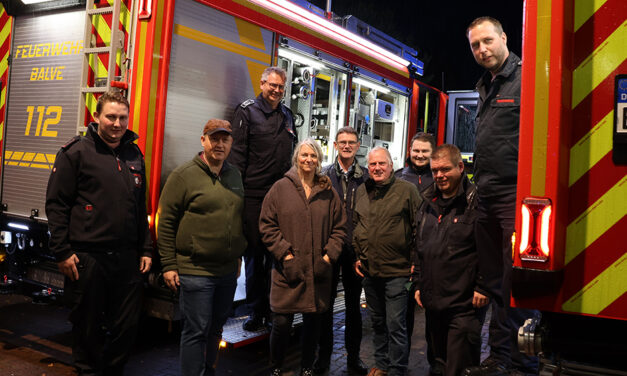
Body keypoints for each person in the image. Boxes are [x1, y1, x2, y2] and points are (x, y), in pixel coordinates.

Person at [45, 90, 152, 375]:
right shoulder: (76, 153)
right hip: (87, 258)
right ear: (96, 117)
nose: (117, 123)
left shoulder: (134, 153)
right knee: (87, 328)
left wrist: (146, 248)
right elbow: (57, 205)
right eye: (111, 117)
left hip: (127, 258)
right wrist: (63, 251)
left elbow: (140, 207)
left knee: (127, 327)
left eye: (123, 118)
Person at [464, 17, 539, 375]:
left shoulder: (527, 78)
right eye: (476, 45)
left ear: (504, 38)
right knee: (494, 282)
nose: (482, 49)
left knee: (516, 283)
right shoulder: (484, 85)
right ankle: (499, 359)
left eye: (487, 41)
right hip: (487, 194)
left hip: (514, 194)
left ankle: (524, 365)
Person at [157, 119, 246, 376]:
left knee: (216, 328)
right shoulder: (183, 176)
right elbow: (166, 222)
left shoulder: (234, 175)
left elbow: (237, 218)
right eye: (214, 138)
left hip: (227, 271)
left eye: (225, 139)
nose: (219, 144)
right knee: (195, 331)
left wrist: (238, 255)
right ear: (203, 140)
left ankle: (208, 372)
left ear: (230, 144)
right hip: (195, 271)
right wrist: (169, 265)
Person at [259, 138, 346, 376]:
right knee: (281, 324)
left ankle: (307, 367)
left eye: (314, 156)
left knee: (312, 324)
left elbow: (340, 228)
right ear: (296, 158)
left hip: (317, 272)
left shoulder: (328, 192)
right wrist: (285, 255)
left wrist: (328, 258)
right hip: (286, 270)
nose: (308, 160)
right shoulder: (280, 188)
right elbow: (267, 225)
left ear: (319, 161)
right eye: (304, 155)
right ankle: (276, 367)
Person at [228, 66, 298, 331]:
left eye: (281, 87)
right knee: (256, 256)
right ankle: (257, 312)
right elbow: (237, 159)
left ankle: (276, 309)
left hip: (282, 197)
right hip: (254, 197)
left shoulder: (287, 115)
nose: (277, 90)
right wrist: (238, 198)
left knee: (279, 254)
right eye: (273, 85)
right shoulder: (247, 111)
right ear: (262, 83)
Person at [412, 144, 489, 376]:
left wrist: (483, 285)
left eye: (445, 169)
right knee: (438, 366)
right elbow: (419, 247)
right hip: (434, 305)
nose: (439, 175)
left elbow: (490, 248)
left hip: (464, 308)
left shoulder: (476, 204)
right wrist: (417, 283)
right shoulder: (427, 202)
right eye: (435, 170)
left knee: (459, 369)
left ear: (460, 167)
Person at [353, 147, 421, 376]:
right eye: (372, 164)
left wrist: (415, 261)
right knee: (378, 323)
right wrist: (357, 255)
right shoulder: (362, 191)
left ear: (391, 165)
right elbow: (356, 225)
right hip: (370, 271)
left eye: (382, 163)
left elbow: (419, 229)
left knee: (396, 326)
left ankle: (397, 369)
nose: (377, 168)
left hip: (398, 271)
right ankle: (381, 364)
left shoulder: (407, 191)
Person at [316, 127, 369, 375]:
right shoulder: (324, 175)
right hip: (330, 247)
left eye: (351, 142)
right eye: (342, 142)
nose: (347, 146)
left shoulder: (366, 178)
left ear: (358, 146)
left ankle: (353, 359)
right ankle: (323, 359)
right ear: (335, 145)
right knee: (324, 306)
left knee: (352, 307)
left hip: (354, 251)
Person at [394, 131, 436, 371]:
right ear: (410, 151)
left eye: (425, 152)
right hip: (406, 260)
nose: (419, 155)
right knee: (404, 311)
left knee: (433, 311)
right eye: (416, 151)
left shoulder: (440, 178)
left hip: (432, 259)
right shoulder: (399, 177)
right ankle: (401, 363)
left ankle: (435, 363)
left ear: (432, 154)